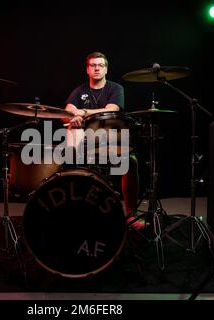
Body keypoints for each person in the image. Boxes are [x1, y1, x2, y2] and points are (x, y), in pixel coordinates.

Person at [64, 52, 144, 229]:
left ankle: (130, 214)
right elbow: (67, 111)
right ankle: (74, 211)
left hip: (110, 140)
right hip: (84, 143)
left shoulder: (115, 89)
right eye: (93, 65)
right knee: (71, 135)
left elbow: (112, 110)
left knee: (131, 161)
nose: (97, 68)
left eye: (101, 65)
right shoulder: (80, 90)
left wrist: (82, 113)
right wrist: (73, 117)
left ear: (106, 68)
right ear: (87, 69)